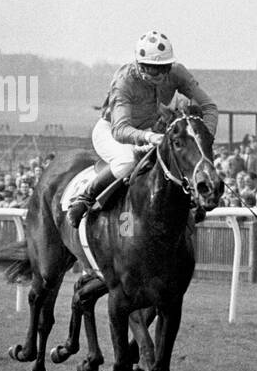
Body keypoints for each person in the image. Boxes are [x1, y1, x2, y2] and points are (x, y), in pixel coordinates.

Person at [67, 31, 219, 225]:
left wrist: (205, 138)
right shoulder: (124, 81)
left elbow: (209, 107)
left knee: (182, 158)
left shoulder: (177, 72)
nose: (160, 75)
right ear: (140, 65)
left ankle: (193, 200)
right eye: (153, 70)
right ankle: (85, 197)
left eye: (164, 68)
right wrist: (148, 137)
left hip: (152, 131)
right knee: (126, 162)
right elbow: (120, 130)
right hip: (112, 133)